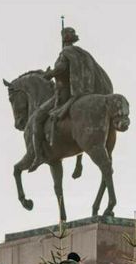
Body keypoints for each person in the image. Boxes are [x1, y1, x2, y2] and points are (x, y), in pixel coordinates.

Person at [30, 26, 114, 170]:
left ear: (64, 38)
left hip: (64, 95)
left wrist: (49, 74)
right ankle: (78, 161)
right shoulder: (82, 53)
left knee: (37, 117)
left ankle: (38, 156)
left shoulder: (66, 52)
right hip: (82, 91)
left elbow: (61, 68)